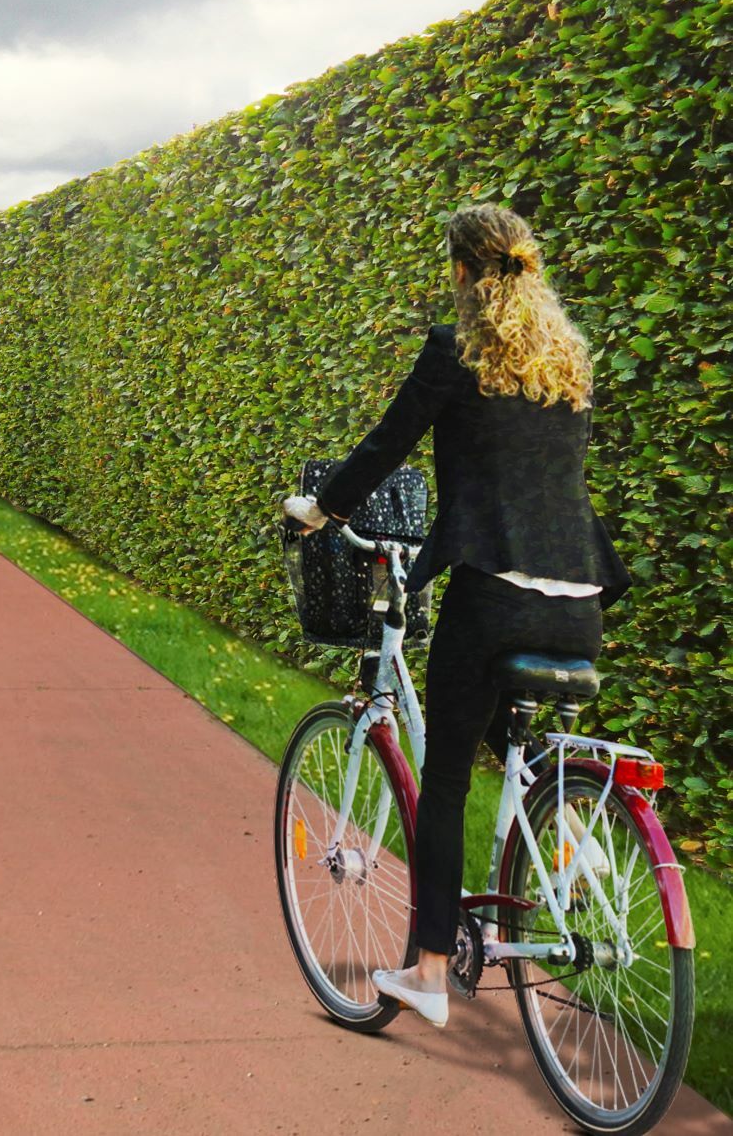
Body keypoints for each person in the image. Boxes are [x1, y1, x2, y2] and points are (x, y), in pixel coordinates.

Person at [284, 204, 629, 1030]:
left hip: (495, 597)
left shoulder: (455, 351)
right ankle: (571, 830)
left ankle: (432, 969)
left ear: (465, 272)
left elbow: (384, 447)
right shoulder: (565, 367)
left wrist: (321, 509)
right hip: (582, 603)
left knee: (441, 782)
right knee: (525, 745)